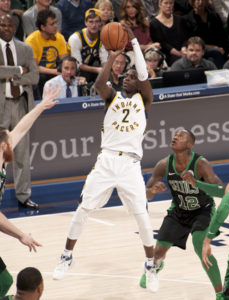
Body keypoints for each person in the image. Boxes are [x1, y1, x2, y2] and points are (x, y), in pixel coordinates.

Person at [53, 24, 159, 293]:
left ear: (139, 83)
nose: (127, 77)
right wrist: (112, 55)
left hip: (130, 164)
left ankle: (150, 264)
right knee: (84, 207)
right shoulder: (111, 97)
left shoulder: (143, 101)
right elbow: (100, 83)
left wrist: (133, 43)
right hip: (107, 160)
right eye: (125, 75)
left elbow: (144, 76)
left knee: (142, 216)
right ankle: (66, 256)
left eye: (132, 76)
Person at [139, 129, 224, 298]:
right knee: (158, 252)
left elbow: (221, 191)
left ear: (189, 144)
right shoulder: (163, 164)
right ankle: (156, 266)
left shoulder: (201, 164)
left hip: (202, 210)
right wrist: (152, 191)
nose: (175, 136)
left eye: (181, 135)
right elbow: (146, 194)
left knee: (201, 245)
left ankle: (221, 293)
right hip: (179, 210)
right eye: (175, 134)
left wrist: (197, 183)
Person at [0, 85, 60, 297]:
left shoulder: (1, 155)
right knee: (3, 280)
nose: (14, 143)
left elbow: (21, 128)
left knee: (3, 280)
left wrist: (42, 106)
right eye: (10, 141)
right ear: (3, 146)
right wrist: (21, 235)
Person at [0, 14, 39, 209]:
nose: (6, 28)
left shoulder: (25, 48)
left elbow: (34, 77)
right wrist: (18, 70)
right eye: (3, 25)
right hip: (1, 106)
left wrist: (11, 75)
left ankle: (24, 196)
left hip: (21, 104)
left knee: (22, 154)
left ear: (15, 28)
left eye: (10, 25)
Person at [202, 180, 229, 300]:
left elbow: (223, 209)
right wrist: (196, 183)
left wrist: (208, 239)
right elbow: (219, 190)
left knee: (228, 296)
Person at [25, 9, 68, 100]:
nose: (56, 26)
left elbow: (65, 61)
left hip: (54, 70)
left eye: (55, 23)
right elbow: (34, 67)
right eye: (52, 24)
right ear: (43, 27)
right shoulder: (31, 40)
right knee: (37, 78)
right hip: (39, 73)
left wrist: (63, 71)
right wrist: (55, 71)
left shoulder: (60, 38)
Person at [68, 8, 108, 85]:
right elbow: (78, 65)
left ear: (100, 23)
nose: (94, 25)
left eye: (97, 21)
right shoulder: (76, 38)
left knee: (106, 71)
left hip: (90, 67)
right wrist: (98, 70)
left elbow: (104, 61)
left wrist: (105, 70)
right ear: (85, 22)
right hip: (73, 68)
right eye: (91, 22)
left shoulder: (102, 37)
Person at [185, 0, 229, 69]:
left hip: (219, 49)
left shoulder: (214, 16)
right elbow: (190, 42)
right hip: (198, 50)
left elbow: (222, 36)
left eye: (203, 0)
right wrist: (214, 47)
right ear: (193, 2)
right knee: (215, 52)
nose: (200, 2)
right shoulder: (188, 19)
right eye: (197, 0)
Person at [150, 0, 191, 66]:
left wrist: (183, 48)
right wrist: (178, 53)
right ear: (160, 5)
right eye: (166, 3)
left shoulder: (180, 19)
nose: (168, 6)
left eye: (171, 3)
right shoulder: (154, 23)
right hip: (167, 54)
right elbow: (162, 44)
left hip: (182, 51)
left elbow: (185, 38)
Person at [120, 0, 160, 64]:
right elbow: (130, 46)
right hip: (132, 52)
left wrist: (153, 45)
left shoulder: (144, 22)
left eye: (133, 7)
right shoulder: (123, 24)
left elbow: (149, 40)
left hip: (146, 51)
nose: (131, 10)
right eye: (128, 7)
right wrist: (149, 46)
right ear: (124, 9)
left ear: (138, 8)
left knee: (156, 55)